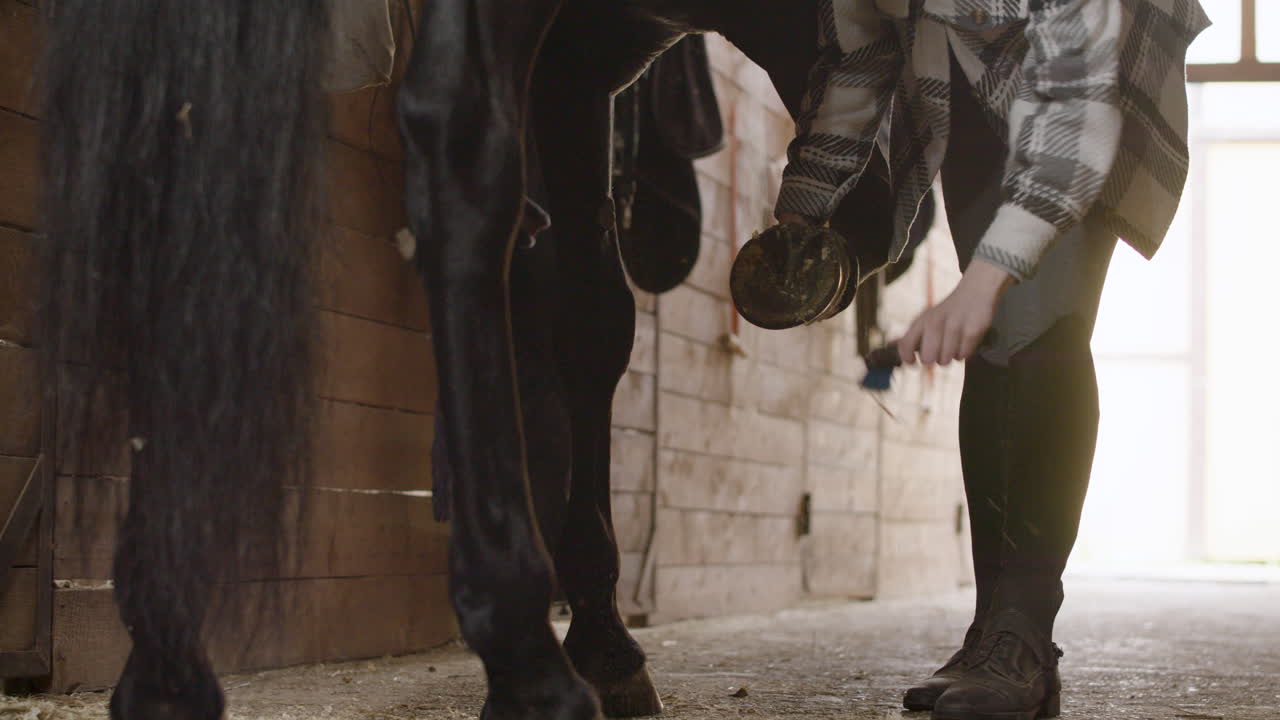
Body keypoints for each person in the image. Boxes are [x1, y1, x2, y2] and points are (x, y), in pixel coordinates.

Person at [770, 1, 1209, 718]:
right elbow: (858, 56)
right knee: (1000, 340)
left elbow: (1074, 119)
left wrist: (982, 279)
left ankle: (1023, 635)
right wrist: (801, 210)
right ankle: (994, 633)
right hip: (965, 76)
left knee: (1036, 322)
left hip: (1088, 78)